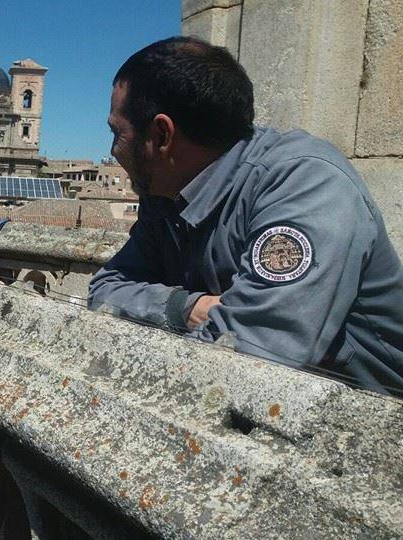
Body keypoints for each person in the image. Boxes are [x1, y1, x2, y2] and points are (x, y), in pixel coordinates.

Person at [87, 36, 403, 394]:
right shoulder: (165, 196)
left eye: (118, 134)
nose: (113, 152)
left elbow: (252, 358)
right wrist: (184, 307)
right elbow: (105, 289)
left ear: (162, 135)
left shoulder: (305, 184)